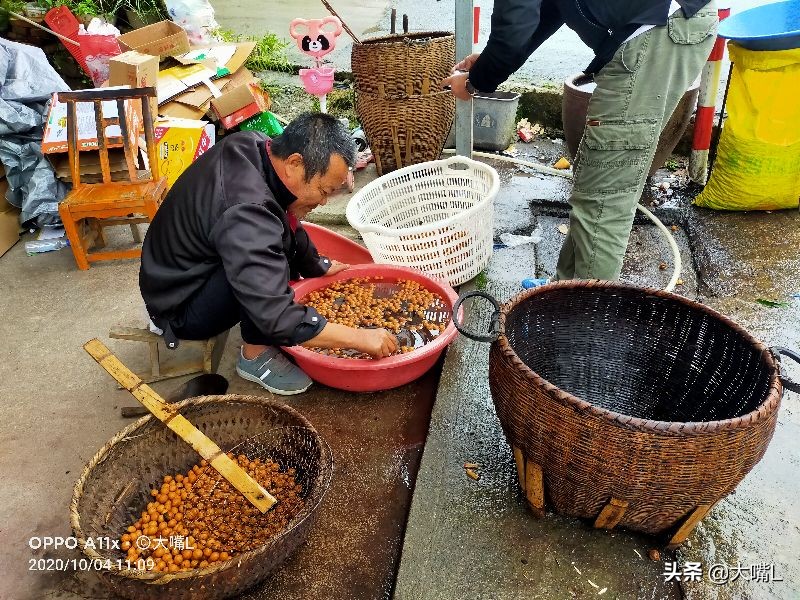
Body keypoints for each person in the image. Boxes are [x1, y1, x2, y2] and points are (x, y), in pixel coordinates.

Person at [443, 0, 718, 281]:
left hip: (656, 29)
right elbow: (543, 14)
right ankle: (563, 292)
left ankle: (582, 317)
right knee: (595, 184)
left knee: (604, 201)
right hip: (668, 24)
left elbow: (516, 25)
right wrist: (490, 62)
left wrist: (475, 82)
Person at [139, 113, 398, 395]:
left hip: (179, 274)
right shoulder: (248, 213)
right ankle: (254, 357)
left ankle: (259, 331)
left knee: (274, 247)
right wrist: (358, 337)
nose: (323, 202)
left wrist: (316, 264)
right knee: (269, 262)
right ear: (294, 163)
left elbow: (285, 217)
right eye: (324, 190)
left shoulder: (255, 146)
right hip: (177, 306)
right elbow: (276, 316)